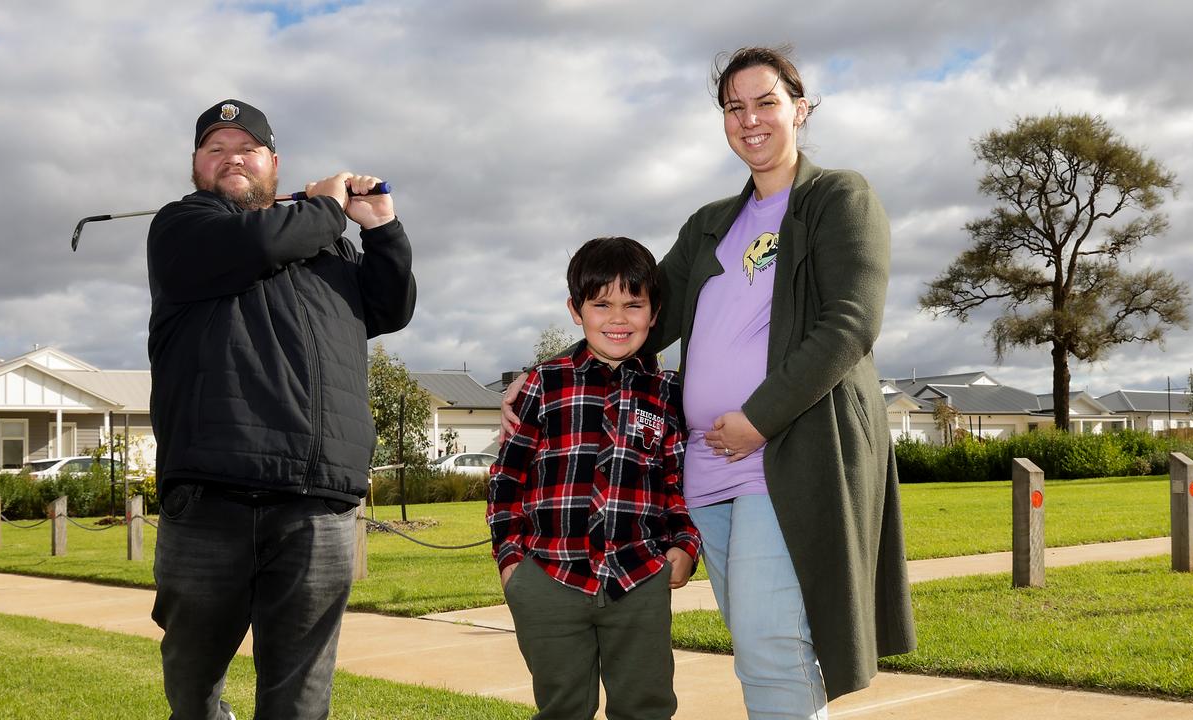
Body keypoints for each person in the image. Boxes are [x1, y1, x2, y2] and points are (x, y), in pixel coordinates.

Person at [503, 48, 915, 718]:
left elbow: (851, 323)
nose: (750, 119)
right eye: (734, 107)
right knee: (761, 644)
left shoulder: (838, 198)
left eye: (766, 102)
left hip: (784, 456)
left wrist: (760, 418)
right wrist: (539, 379)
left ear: (800, 109)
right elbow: (638, 316)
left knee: (771, 643)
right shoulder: (709, 224)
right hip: (705, 473)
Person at [146, 98, 416, 720]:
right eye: (215, 149)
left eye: (246, 148)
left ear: (273, 162)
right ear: (196, 165)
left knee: (300, 697)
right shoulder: (185, 226)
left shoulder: (331, 252)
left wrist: (381, 228)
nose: (231, 157)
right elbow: (263, 243)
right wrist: (325, 206)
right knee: (192, 686)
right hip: (212, 494)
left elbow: (390, 307)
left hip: (314, 498)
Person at [489, 236, 702, 720]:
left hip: (640, 580)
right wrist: (511, 563)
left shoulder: (669, 393)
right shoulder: (544, 383)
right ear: (575, 310)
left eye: (634, 304)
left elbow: (676, 482)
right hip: (549, 577)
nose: (618, 319)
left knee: (645, 707)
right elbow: (506, 480)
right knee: (562, 707)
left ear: (655, 311)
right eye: (601, 304)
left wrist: (685, 546)